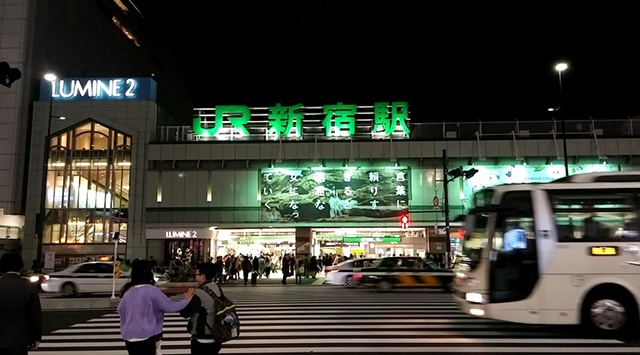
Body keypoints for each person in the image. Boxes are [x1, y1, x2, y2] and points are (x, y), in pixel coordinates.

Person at [118, 259, 194, 355]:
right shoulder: (151, 290)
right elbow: (170, 307)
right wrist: (186, 300)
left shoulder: (128, 291)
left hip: (129, 336)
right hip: (146, 335)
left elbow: (121, 310)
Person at [0, 252, 42, 355]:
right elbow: (35, 315)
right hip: (19, 340)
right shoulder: (28, 286)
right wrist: (36, 337)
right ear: (20, 267)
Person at [180, 262, 224, 355]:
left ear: (203, 276)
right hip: (216, 335)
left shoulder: (199, 293)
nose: (195, 276)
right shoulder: (216, 287)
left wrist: (186, 300)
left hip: (202, 337)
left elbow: (185, 313)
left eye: (196, 274)